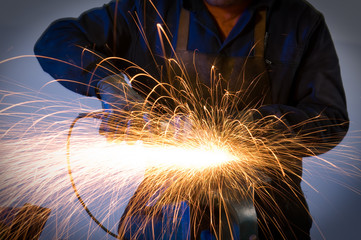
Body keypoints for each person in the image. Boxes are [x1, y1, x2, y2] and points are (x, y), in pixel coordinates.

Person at [34, 0, 349, 239]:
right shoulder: (150, 8)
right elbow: (56, 40)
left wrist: (233, 129)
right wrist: (110, 84)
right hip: (163, 209)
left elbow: (328, 120)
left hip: (267, 212)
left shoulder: (299, 22)